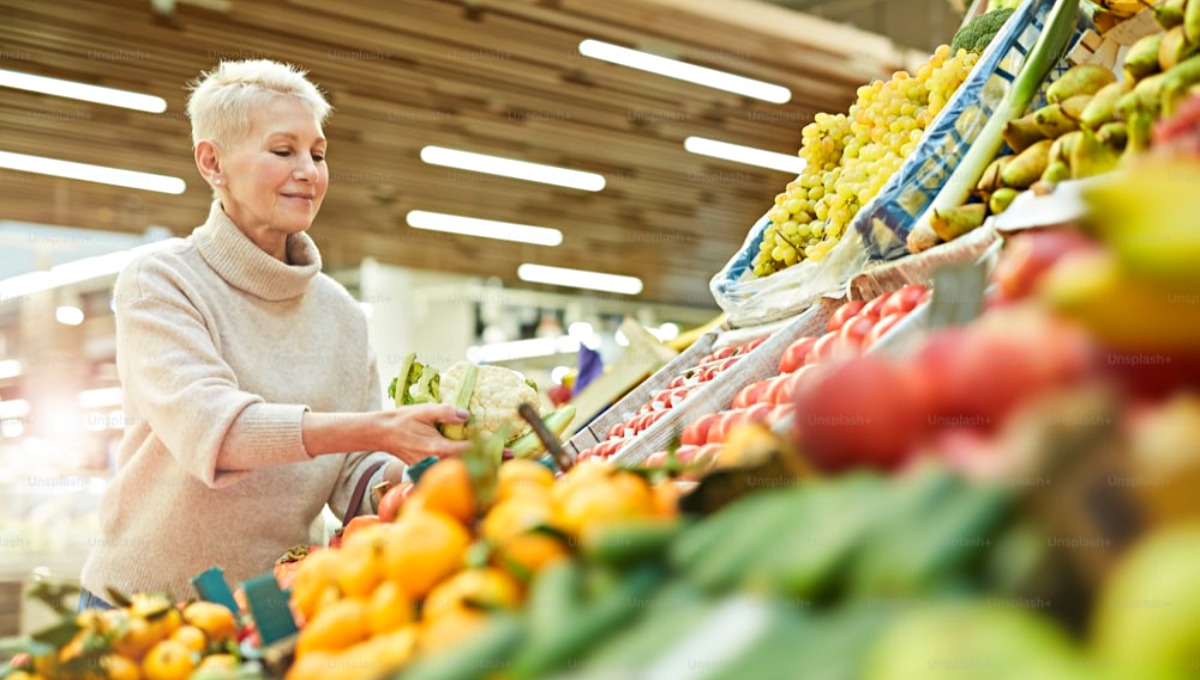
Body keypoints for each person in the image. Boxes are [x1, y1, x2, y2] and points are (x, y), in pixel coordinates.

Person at [79, 60, 469, 610]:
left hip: (271, 613)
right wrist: (381, 426)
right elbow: (218, 430)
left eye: (319, 153)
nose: (308, 170)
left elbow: (353, 475)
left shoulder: (343, 315)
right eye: (283, 151)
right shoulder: (161, 282)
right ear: (212, 162)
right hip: (141, 608)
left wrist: (426, 465)